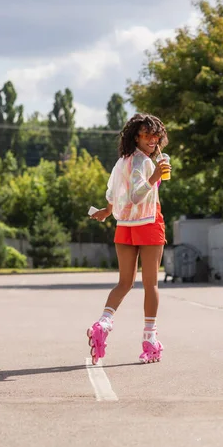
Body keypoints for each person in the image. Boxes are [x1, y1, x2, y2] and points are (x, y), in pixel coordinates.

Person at [87, 113, 171, 365]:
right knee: (150, 285)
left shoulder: (121, 162)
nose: (152, 140)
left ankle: (103, 323)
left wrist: (106, 211)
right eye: (146, 135)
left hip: (124, 226)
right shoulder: (143, 163)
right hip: (147, 224)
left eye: (156, 135)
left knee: (124, 283)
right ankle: (150, 340)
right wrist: (155, 177)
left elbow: (114, 192)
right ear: (136, 136)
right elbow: (136, 195)